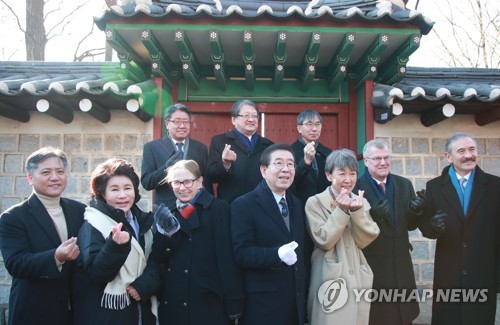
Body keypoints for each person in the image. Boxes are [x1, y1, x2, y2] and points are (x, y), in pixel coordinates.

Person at [419, 132, 500, 325]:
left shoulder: (495, 186)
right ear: (448, 157)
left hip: (483, 273)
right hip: (449, 274)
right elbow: (425, 227)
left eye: (472, 149)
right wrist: (432, 226)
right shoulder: (434, 187)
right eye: (461, 151)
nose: (468, 155)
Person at [150, 159, 244, 325]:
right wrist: (165, 234)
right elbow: (159, 257)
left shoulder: (218, 209)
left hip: (207, 299)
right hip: (175, 299)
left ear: (200, 182)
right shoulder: (167, 214)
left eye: (188, 182)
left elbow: (226, 258)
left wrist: (233, 302)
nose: (182, 187)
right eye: (176, 183)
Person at [0, 147, 85, 325]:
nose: (55, 177)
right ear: (30, 178)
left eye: (60, 171)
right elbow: (16, 264)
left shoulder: (79, 211)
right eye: (46, 172)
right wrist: (56, 257)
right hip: (34, 311)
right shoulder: (13, 217)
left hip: (74, 311)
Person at [74, 158, 160, 325]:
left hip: (141, 310)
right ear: (102, 193)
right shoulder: (93, 224)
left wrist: (144, 285)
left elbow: (154, 261)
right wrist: (116, 246)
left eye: (127, 188)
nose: (122, 195)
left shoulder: (143, 222)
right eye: (114, 189)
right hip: (107, 314)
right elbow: (97, 273)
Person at [231, 143, 306, 325]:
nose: (286, 169)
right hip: (263, 305)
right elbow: (241, 253)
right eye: (279, 163)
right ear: (264, 170)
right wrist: (276, 255)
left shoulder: (296, 204)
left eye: (290, 164)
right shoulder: (243, 205)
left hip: (295, 302)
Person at [354, 139, 425, 325]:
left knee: (404, 316)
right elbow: (352, 230)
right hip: (373, 266)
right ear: (366, 161)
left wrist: (416, 211)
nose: (383, 162)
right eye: (377, 158)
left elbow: (410, 226)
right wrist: (371, 215)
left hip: (401, 265)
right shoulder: (356, 188)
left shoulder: (404, 185)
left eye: (387, 158)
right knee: (377, 317)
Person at [306, 148, 380, 325]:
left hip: (357, 272)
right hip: (328, 274)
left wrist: (357, 212)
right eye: (342, 173)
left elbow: (366, 239)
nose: (348, 180)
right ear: (328, 175)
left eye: (353, 174)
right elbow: (324, 240)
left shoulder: (360, 201)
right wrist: (341, 210)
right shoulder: (315, 202)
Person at [141, 102, 209, 208]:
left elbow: (206, 181)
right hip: (167, 209)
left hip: (196, 207)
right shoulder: (152, 147)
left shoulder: (200, 148)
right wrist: (166, 168)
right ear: (167, 123)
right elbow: (147, 183)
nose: (182, 126)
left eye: (186, 122)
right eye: (177, 122)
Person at [208, 99, 273, 202]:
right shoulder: (220, 141)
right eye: (246, 115)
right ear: (234, 120)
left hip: (261, 204)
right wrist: (225, 163)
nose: (251, 119)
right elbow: (212, 177)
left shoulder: (268, 145)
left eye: (254, 116)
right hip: (230, 205)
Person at [290, 109, 332, 204]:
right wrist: (305, 163)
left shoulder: (328, 153)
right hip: (299, 204)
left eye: (317, 124)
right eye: (309, 124)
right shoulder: (290, 152)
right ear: (299, 128)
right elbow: (290, 181)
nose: (314, 129)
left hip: (324, 205)